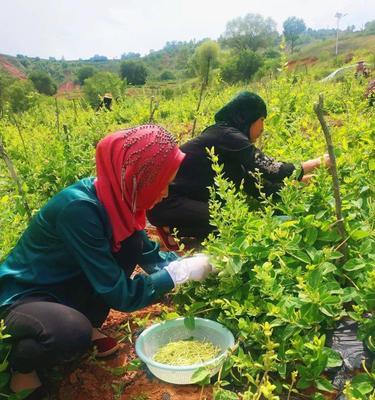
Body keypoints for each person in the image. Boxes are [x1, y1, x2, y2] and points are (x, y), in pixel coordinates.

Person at [0, 125, 215, 399]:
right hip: (23, 297)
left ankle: (85, 322)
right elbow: (121, 297)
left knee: (129, 245)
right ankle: (23, 366)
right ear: (140, 178)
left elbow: (149, 256)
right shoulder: (79, 210)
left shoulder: (121, 201)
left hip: (64, 287)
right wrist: (176, 274)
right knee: (70, 333)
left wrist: (188, 266)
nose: (164, 194)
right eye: (162, 184)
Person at [147, 91, 331, 241]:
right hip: (167, 203)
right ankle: (175, 235)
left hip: (179, 203)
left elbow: (257, 186)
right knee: (229, 221)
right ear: (248, 117)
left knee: (233, 220)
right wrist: (320, 162)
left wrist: (294, 187)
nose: (263, 127)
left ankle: (178, 232)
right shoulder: (227, 135)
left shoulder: (230, 141)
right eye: (262, 119)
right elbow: (274, 170)